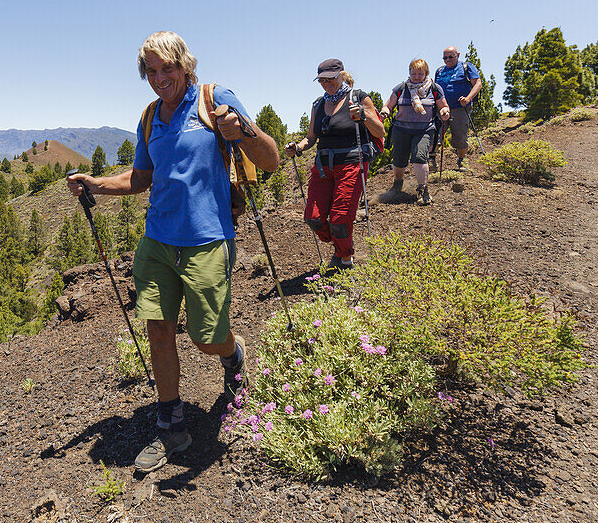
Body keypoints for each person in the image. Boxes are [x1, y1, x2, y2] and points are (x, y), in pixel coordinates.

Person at [67, 31, 279, 473]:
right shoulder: (149, 116)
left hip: (208, 239)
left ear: (185, 65)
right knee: (159, 331)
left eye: (167, 68)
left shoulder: (214, 98)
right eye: (151, 70)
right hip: (158, 241)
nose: (159, 77)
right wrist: (98, 184)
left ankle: (233, 353)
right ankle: (171, 425)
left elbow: (271, 159)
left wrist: (242, 131)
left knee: (206, 337)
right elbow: (143, 177)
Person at [284, 59, 385, 272]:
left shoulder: (358, 97)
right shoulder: (318, 104)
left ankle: (344, 260)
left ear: (341, 75)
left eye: (330, 79)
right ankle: (342, 243)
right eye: (321, 80)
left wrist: (364, 116)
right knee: (313, 218)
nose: (326, 83)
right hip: (323, 166)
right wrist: (298, 147)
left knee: (340, 220)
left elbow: (380, 132)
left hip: (352, 164)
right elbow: (311, 137)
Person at [379, 59, 451, 206]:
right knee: (399, 160)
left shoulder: (434, 88)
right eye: (414, 73)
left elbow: (444, 106)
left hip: (424, 129)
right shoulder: (401, 88)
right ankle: (397, 184)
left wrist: (445, 112)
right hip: (401, 129)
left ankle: (423, 190)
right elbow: (388, 105)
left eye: (420, 73)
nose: (416, 76)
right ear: (409, 73)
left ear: (426, 73)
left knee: (420, 156)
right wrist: (385, 111)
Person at [434, 46, 483, 169]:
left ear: (458, 55)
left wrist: (468, 98)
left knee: (460, 135)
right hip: (441, 109)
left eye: (451, 56)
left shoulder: (467, 67)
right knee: (435, 135)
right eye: (445, 57)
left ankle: (462, 162)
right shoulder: (439, 71)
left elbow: (478, 83)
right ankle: (431, 162)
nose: (448, 59)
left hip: (460, 108)